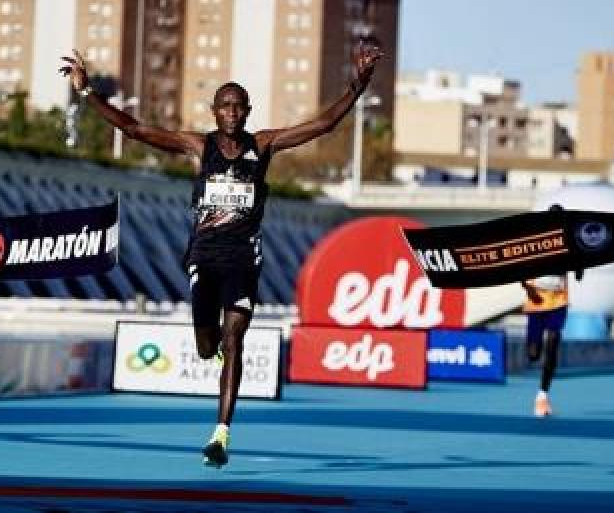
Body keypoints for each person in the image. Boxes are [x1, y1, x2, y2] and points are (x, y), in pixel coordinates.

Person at [61, 41, 382, 467]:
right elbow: (136, 130)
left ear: (248, 111)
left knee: (234, 339)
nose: (232, 113)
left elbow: (322, 125)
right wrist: (87, 93)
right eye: (225, 107)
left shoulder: (263, 145)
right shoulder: (199, 147)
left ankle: (220, 435)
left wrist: (357, 85)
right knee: (206, 343)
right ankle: (208, 345)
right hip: (204, 257)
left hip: (244, 259)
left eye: (239, 107)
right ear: (214, 111)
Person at [521, 272, 568, 417]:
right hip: (536, 300)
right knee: (533, 355)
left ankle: (542, 395)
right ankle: (542, 395)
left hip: (558, 300)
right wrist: (529, 289)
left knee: (553, 341)